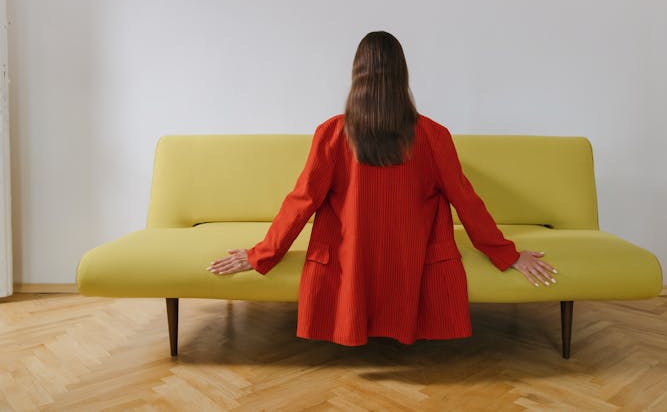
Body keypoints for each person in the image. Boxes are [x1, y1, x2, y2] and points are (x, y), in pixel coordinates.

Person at [208, 31, 557, 346]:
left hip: (351, 261)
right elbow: (466, 201)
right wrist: (508, 255)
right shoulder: (433, 136)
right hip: (408, 261)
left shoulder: (332, 134)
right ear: (402, 75)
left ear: (356, 75)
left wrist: (262, 254)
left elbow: (302, 201)